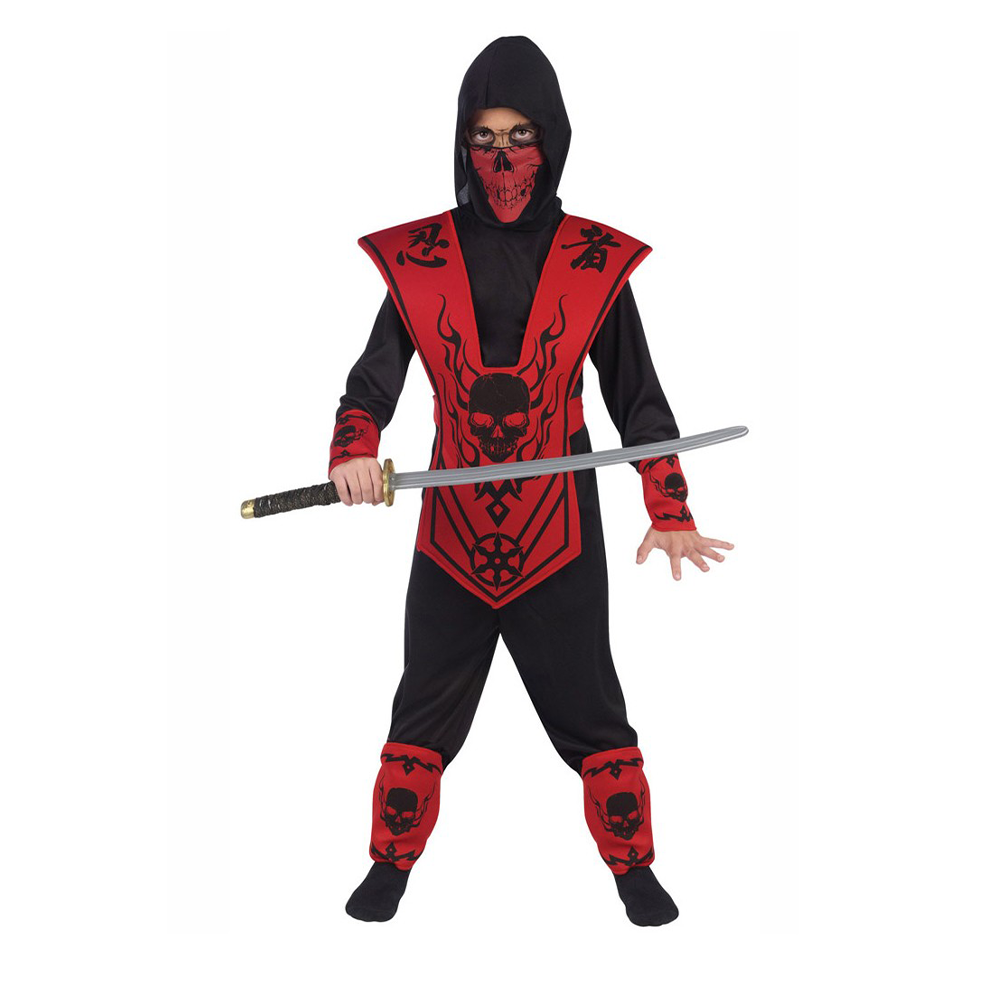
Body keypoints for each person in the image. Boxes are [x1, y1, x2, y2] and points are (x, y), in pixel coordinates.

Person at [328, 36, 734, 926]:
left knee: (593, 712)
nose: (503, 156)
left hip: (562, 529)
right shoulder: (423, 255)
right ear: (461, 141)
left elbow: (638, 398)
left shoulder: (592, 258)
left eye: (520, 135)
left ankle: (634, 870)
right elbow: (372, 382)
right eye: (484, 136)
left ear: (551, 138)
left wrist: (668, 505)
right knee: (422, 707)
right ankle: (389, 867)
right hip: (451, 524)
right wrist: (354, 451)